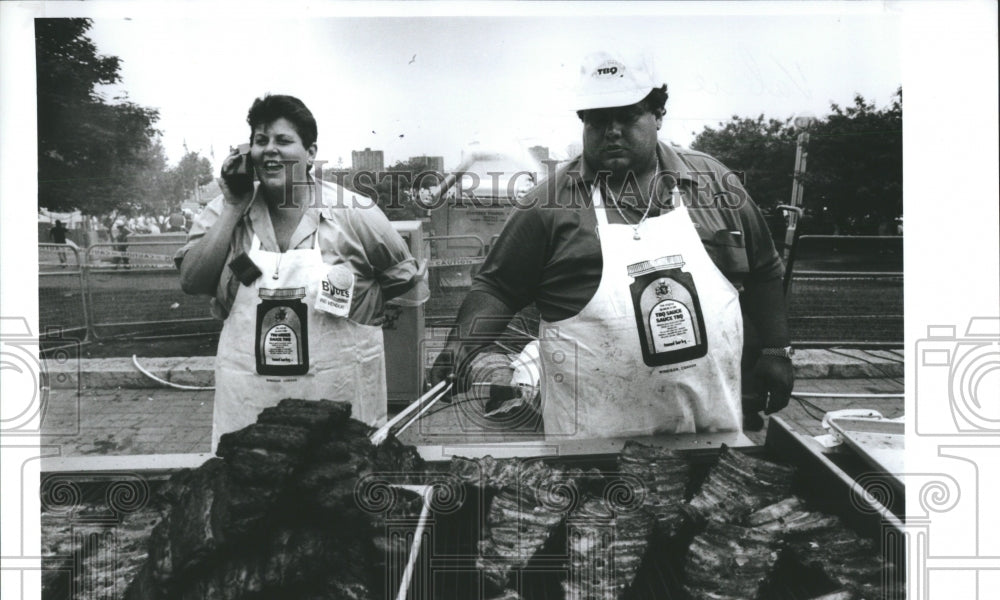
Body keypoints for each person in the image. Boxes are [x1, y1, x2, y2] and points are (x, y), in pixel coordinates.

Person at [428, 50, 794, 439]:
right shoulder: (547, 204)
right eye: (599, 119)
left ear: (657, 114)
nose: (612, 130)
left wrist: (775, 350)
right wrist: (459, 349)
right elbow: (498, 287)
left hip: (709, 429)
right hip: (591, 443)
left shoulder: (714, 182)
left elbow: (765, 271)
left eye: (628, 114)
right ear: (583, 122)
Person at [177, 94, 426, 451]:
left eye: (283, 140)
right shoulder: (224, 212)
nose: (270, 150)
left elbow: (404, 280)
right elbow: (191, 281)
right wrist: (233, 205)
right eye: (261, 141)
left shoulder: (354, 212)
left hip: (339, 404)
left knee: (334, 488)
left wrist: (359, 312)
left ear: (310, 152)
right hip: (250, 410)